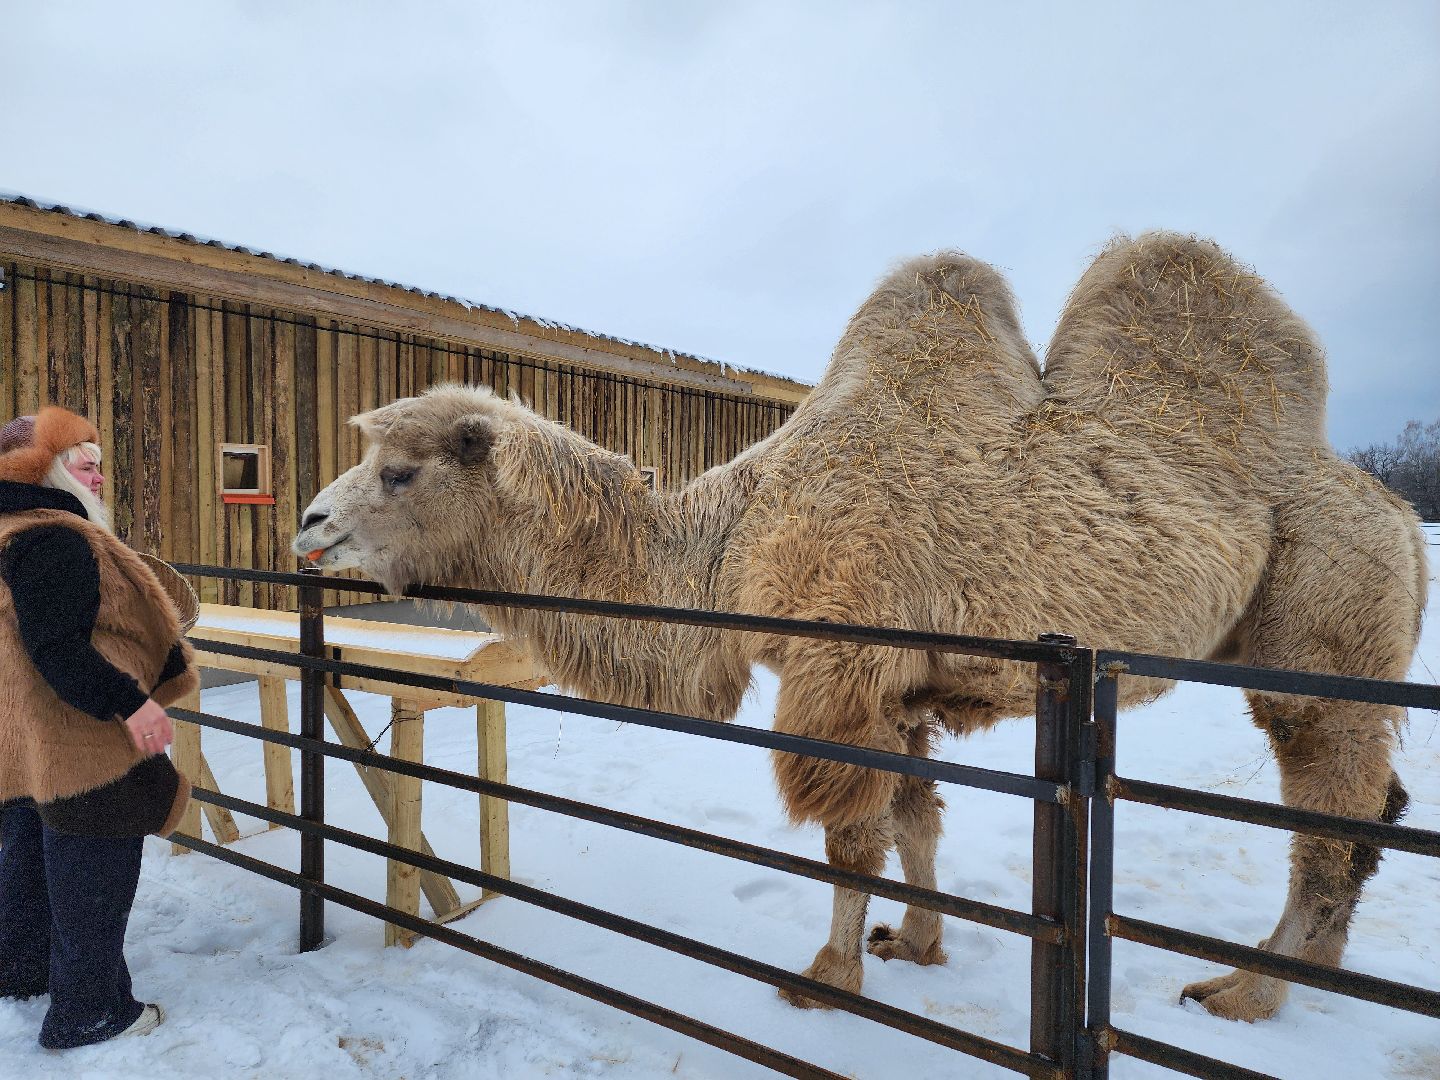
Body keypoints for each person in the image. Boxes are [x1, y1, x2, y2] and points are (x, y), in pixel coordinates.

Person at [0, 406, 198, 1050]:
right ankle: (91, 1008)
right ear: (38, 470)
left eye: (96, 453)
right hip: (79, 738)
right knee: (95, 859)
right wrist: (133, 705)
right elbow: (58, 645)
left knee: (29, 852)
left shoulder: (13, 528)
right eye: (76, 455)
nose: (95, 465)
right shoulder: (54, 537)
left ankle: (21, 970)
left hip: (26, 738)